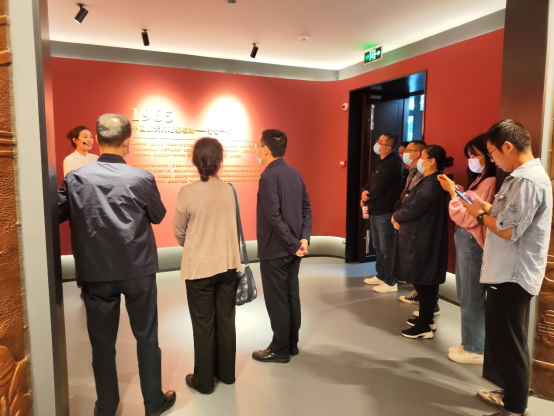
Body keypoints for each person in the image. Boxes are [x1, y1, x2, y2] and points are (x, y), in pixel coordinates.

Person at [58, 114, 175, 416]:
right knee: (146, 338)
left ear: (97, 139)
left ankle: (106, 407)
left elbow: (55, 213)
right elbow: (158, 215)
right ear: (127, 141)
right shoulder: (141, 178)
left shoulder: (76, 178)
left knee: (102, 345)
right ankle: (153, 403)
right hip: (139, 270)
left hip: (95, 273)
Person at [460, 120, 552, 416]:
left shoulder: (527, 180)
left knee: (510, 343)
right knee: (504, 339)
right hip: (506, 271)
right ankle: (511, 395)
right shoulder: (520, 177)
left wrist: (477, 214)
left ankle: (514, 408)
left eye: (492, 153)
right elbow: (505, 216)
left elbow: (508, 230)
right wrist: (483, 206)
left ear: (508, 146)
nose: (492, 160)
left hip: (513, 275)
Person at [173, 137, 242, 394]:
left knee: (203, 324)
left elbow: (179, 231)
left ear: (195, 160)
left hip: (200, 268)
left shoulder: (188, 192)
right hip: (228, 265)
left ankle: (203, 381)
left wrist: (194, 243)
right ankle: (227, 374)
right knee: (226, 321)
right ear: (220, 161)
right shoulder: (229, 190)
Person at [252, 129, 312, 363]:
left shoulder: (268, 177)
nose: (257, 150)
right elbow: (307, 208)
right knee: (290, 296)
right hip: (294, 248)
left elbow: (273, 217)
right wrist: (303, 239)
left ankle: (279, 349)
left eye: (258, 146)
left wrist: (293, 243)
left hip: (276, 249)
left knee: (277, 300)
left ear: (265, 149)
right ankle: (291, 344)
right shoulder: (294, 174)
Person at [438, 135, 496, 365]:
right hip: (466, 239)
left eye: (474, 155)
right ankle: (469, 342)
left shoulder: (490, 181)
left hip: (472, 241)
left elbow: (469, 216)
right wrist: (459, 193)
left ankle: (475, 347)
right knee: (465, 291)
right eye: (469, 155)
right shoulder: (481, 179)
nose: (471, 159)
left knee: (471, 295)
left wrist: (454, 193)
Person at [391, 145, 453, 339]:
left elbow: (415, 207)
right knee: (424, 281)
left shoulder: (432, 183)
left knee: (424, 281)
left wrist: (396, 216)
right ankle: (426, 319)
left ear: (431, 161)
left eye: (422, 157)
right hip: (422, 235)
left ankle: (424, 325)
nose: (418, 160)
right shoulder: (430, 180)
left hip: (423, 238)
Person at [361, 133, 403, 293]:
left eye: (380, 142)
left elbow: (381, 186)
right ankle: (381, 275)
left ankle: (390, 281)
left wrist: (368, 195)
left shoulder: (393, 162)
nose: (377, 144)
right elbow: (370, 183)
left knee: (387, 248)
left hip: (385, 211)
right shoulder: (380, 162)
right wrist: (364, 192)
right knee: (377, 246)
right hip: (375, 209)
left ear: (388, 147)